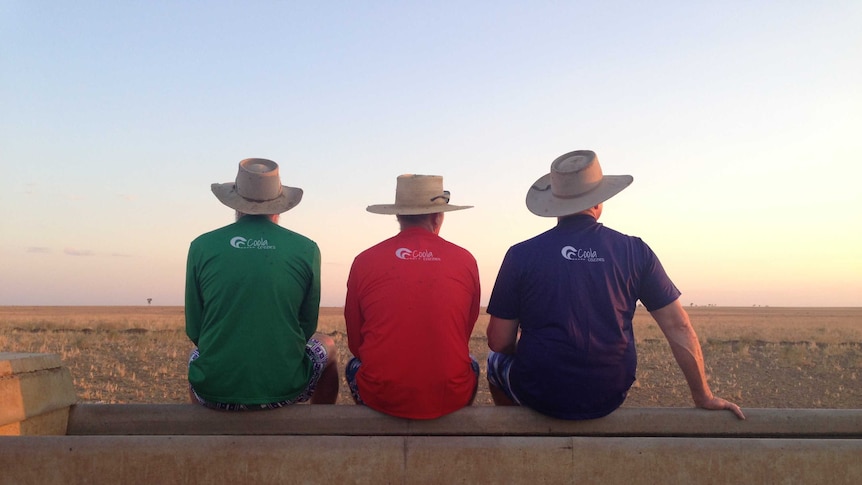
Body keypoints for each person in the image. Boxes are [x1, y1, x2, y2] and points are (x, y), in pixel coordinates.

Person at [486, 150, 745, 420]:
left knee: (494, 364)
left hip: (539, 391)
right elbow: (678, 326)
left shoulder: (521, 254)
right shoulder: (635, 251)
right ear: (598, 201)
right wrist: (703, 395)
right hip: (609, 392)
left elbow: (499, 341)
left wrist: (533, 353)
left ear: (555, 205)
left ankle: (514, 433)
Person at [185, 158, 338, 410]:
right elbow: (306, 327)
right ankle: (320, 425)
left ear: (235, 205)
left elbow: (195, 329)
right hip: (287, 389)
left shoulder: (201, 246)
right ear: (279, 206)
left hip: (214, 392)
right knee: (328, 347)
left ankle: (207, 429)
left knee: (195, 359)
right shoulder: (306, 249)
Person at [344, 174, 481, 419]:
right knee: (473, 363)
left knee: (352, 366)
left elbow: (356, 345)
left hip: (381, 394)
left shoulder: (364, 260)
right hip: (450, 395)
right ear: (439, 216)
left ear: (398, 215)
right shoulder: (465, 259)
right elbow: (463, 334)